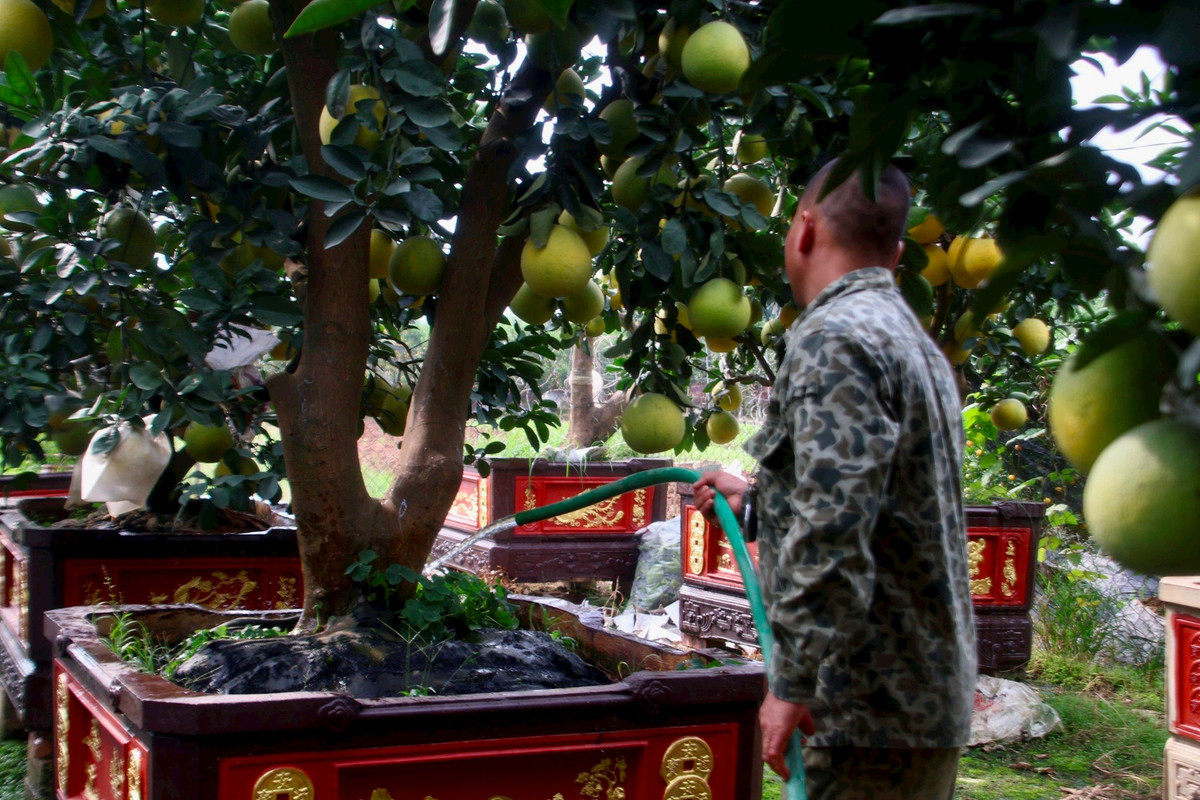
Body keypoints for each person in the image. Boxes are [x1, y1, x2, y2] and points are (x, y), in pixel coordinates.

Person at [693, 159, 976, 799]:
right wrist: (760, 501)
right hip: (914, 702)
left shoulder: (833, 338)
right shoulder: (909, 337)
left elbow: (835, 527)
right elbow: (870, 496)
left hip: (863, 707)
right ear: (898, 252)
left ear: (805, 230)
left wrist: (790, 682)